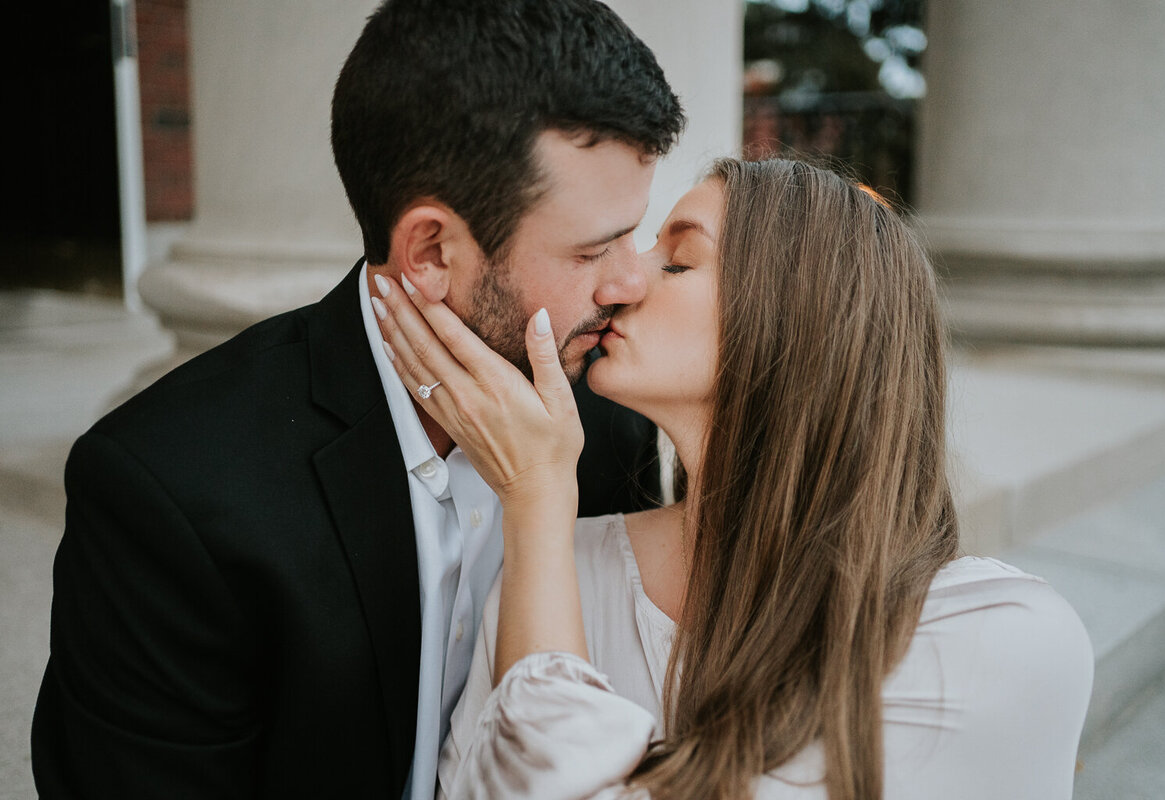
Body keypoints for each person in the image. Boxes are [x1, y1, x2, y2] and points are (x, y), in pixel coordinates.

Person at [30, 1, 684, 798]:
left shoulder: (610, 421)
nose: (628, 282)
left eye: (634, 234)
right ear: (432, 251)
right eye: (593, 249)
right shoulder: (168, 491)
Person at [374, 158, 1095, 800]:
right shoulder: (561, 570)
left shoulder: (1000, 638)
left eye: (678, 260)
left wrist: (535, 497)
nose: (621, 281)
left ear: (802, 319)